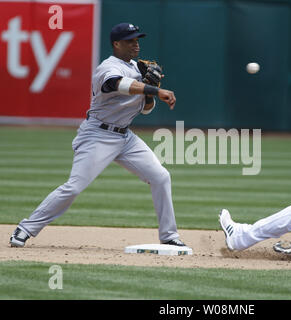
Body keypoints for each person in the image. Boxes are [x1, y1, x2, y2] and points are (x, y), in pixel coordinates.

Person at [10, 22, 188, 248]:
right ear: (116, 44)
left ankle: (169, 236)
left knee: (161, 176)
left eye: (137, 40)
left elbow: (145, 109)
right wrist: (154, 89)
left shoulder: (137, 68)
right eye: (130, 41)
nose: (136, 45)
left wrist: (150, 89)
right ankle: (25, 228)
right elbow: (116, 84)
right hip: (97, 135)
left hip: (125, 137)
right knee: (74, 187)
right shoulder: (108, 67)